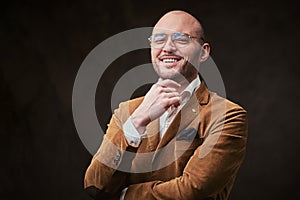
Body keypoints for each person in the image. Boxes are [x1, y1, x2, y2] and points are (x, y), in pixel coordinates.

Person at [84, 10, 248, 200]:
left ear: (204, 52)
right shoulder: (127, 111)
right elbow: (95, 185)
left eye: (181, 39)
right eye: (159, 39)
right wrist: (136, 122)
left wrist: (125, 195)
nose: (168, 48)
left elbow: (193, 189)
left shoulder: (229, 115)